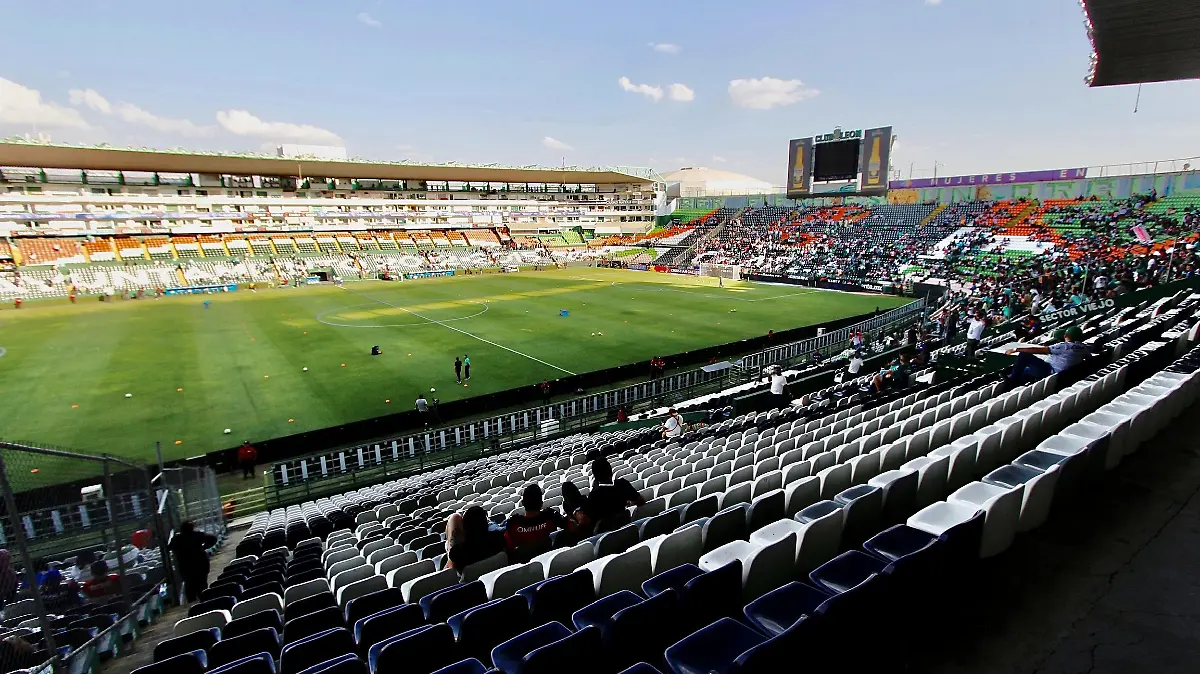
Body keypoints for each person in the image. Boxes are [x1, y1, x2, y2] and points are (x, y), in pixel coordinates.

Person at [579, 457, 644, 534]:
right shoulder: (622, 484)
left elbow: (589, 521)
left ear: (595, 477)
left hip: (607, 538)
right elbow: (641, 501)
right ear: (611, 471)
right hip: (628, 531)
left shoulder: (593, 496)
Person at [1005, 326, 1090, 385]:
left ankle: (1012, 381)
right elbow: (1088, 358)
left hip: (1050, 372)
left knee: (1024, 355)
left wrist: (1015, 349)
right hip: (1063, 374)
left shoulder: (1064, 346)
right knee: (1025, 371)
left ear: (1066, 335)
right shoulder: (1083, 348)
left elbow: (1040, 350)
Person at [503, 484, 568, 560]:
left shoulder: (513, 524)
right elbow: (570, 526)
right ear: (541, 504)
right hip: (551, 560)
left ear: (523, 503)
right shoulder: (551, 516)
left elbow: (508, 550)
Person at [444, 506, 506, 574]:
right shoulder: (499, 538)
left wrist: (451, 544)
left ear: (465, 528)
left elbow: (448, 568)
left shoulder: (458, 553)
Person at [169, 521, 218, 602]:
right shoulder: (197, 535)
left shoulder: (177, 539)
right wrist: (204, 547)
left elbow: (170, 547)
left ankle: (193, 605)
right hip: (200, 563)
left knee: (190, 587)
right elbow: (213, 538)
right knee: (202, 585)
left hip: (186, 566)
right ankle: (205, 602)